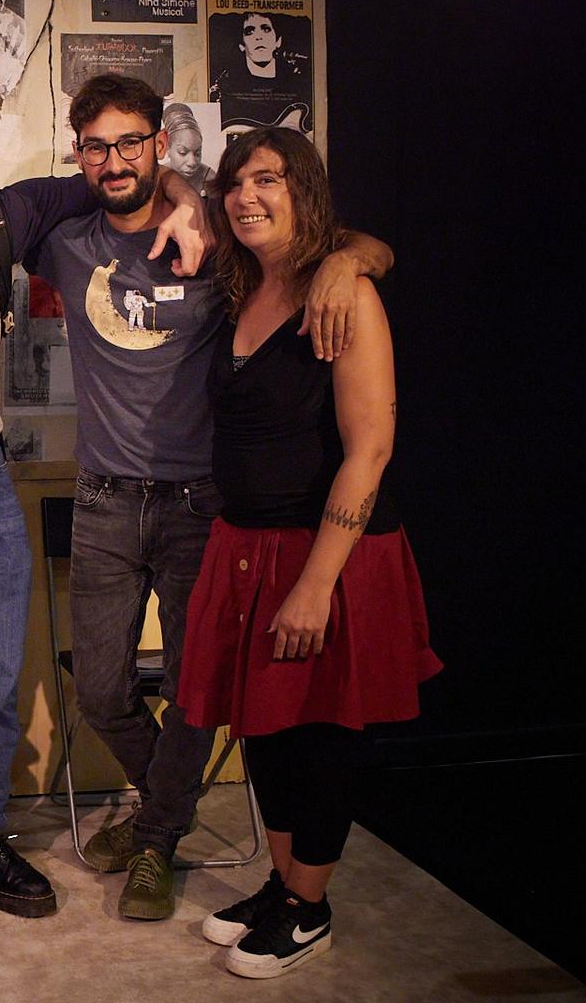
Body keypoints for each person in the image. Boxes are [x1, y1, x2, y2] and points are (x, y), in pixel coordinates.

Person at [0, 72, 390, 923]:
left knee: (195, 689)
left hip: (202, 505)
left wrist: (349, 261)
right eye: (96, 147)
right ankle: (164, 806)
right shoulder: (59, 235)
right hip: (102, 499)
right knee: (100, 690)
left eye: (131, 142)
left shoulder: (219, 234)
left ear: (158, 145)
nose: (114, 160)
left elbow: (346, 243)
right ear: (79, 154)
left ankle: (158, 837)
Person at [181, 127, 438, 979]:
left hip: (326, 553)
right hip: (249, 546)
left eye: (270, 179)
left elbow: (371, 449)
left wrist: (317, 584)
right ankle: (284, 885)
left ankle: (310, 907)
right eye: (235, 182)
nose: (246, 196)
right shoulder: (244, 286)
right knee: (267, 730)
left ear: (306, 191)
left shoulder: (345, 292)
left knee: (321, 734)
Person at [160, 102, 212, 196]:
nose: (192, 163)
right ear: (167, 147)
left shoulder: (209, 178)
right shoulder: (157, 178)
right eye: (183, 152)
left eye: (197, 153)